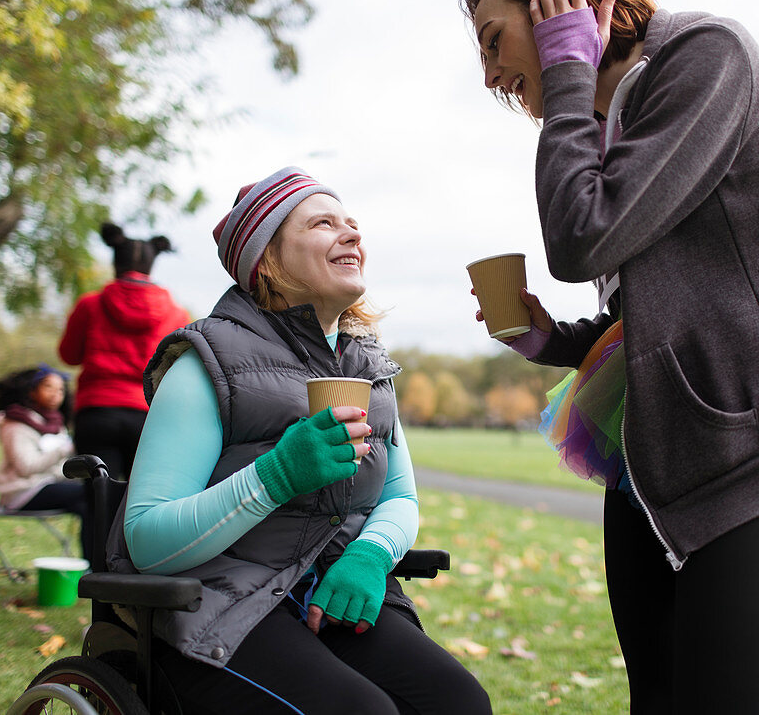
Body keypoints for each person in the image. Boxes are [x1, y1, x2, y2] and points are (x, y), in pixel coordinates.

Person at [460, 0, 759, 712]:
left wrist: (564, 77)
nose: (491, 76)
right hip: (656, 452)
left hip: (756, 446)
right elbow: (656, 308)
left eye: (494, 42)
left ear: (554, 2)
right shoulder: (610, 114)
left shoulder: (705, 56)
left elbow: (582, 235)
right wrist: (551, 339)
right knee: (654, 699)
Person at [107, 167, 492, 714]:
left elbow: (400, 499)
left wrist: (370, 555)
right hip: (215, 603)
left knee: (459, 703)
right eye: (322, 223)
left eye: (352, 223)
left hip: (325, 590)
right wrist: (276, 476)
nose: (352, 234)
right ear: (265, 259)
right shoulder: (206, 362)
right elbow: (147, 540)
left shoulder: (369, 369)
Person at [58, 222, 189, 483]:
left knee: (96, 499)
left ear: (115, 262)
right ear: (152, 265)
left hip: (96, 413)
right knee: (138, 502)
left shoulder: (90, 305)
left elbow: (69, 355)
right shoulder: (176, 313)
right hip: (148, 416)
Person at [0, 365, 90, 557]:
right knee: (91, 493)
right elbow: (26, 467)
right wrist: (65, 450)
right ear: (31, 390)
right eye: (48, 387)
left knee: (92, 503)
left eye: (60, 389)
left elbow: (57, 468)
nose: (55, 394)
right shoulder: (15, 423)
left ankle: (92, 566)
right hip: (23, 492)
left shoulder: (55, 423)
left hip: (49, 485)